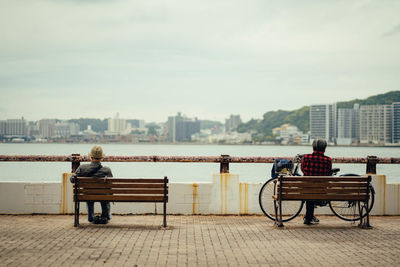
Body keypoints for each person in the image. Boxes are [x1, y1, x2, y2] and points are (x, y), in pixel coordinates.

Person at [71, 146, 113, 224]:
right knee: (105, 196)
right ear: (101, 158)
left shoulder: (82, 168)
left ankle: (91, 217)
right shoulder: (107, 170)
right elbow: (110, 183)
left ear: (91, 157)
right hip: (103, 195)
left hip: (88, 195)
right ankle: (105, 216)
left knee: (89, 196)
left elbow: (72, 180)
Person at [301, 139, 332, 225]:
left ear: (313, 147)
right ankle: (309, 217)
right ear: (324, 148)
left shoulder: (306, 158)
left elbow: (303, 169)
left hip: (307, 190)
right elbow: (328, 172)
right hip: (321, 190)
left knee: (310, 192)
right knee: (314, 191)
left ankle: (308, 218)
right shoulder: (328, 160)